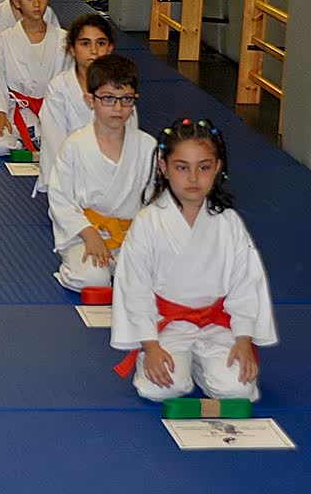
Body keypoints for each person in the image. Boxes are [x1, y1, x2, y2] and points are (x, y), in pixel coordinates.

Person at [112, 119, 276, 402]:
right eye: (181, 167)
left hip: (217, 326)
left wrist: (243, 339)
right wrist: (150, 346)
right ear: (164, 167)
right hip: (168, 325)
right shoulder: (148, 222)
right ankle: (178, 362)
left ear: (218, 167)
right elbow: (134, 288)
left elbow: (246, 285)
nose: (193, 178)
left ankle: (202, 366)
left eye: (203, 167)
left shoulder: (228, 222)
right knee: (161, 388)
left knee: (239, 389)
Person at [47, 55, 155, 291]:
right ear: (90, 100)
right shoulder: (74, 146)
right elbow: (60, 199)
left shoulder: (148, 146)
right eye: (108, 98)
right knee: (94, 279)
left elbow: (155, 201)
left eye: (126, 99)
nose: (117, 108)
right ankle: (76, 268)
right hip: (85, 235)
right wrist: (89, 234)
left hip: (131, 236)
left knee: (164, 278)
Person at [37, 14, 137, 194]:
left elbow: (129, 139)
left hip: (114, 179)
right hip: (70, 179)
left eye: (101, 43)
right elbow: (54, 142)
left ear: (110, 48)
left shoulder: (121, 87)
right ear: (72, 49)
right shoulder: (59, 88)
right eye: (85, 43)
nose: (94, 51)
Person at [0, 0, 68, 156]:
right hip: (18, 110)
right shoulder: (6, 39)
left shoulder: (63, 39)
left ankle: (38, 142)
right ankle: (25, 143)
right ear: (17, 2)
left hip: (53, 111)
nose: (37, 4)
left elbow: (71, 82)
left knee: (71, 148)